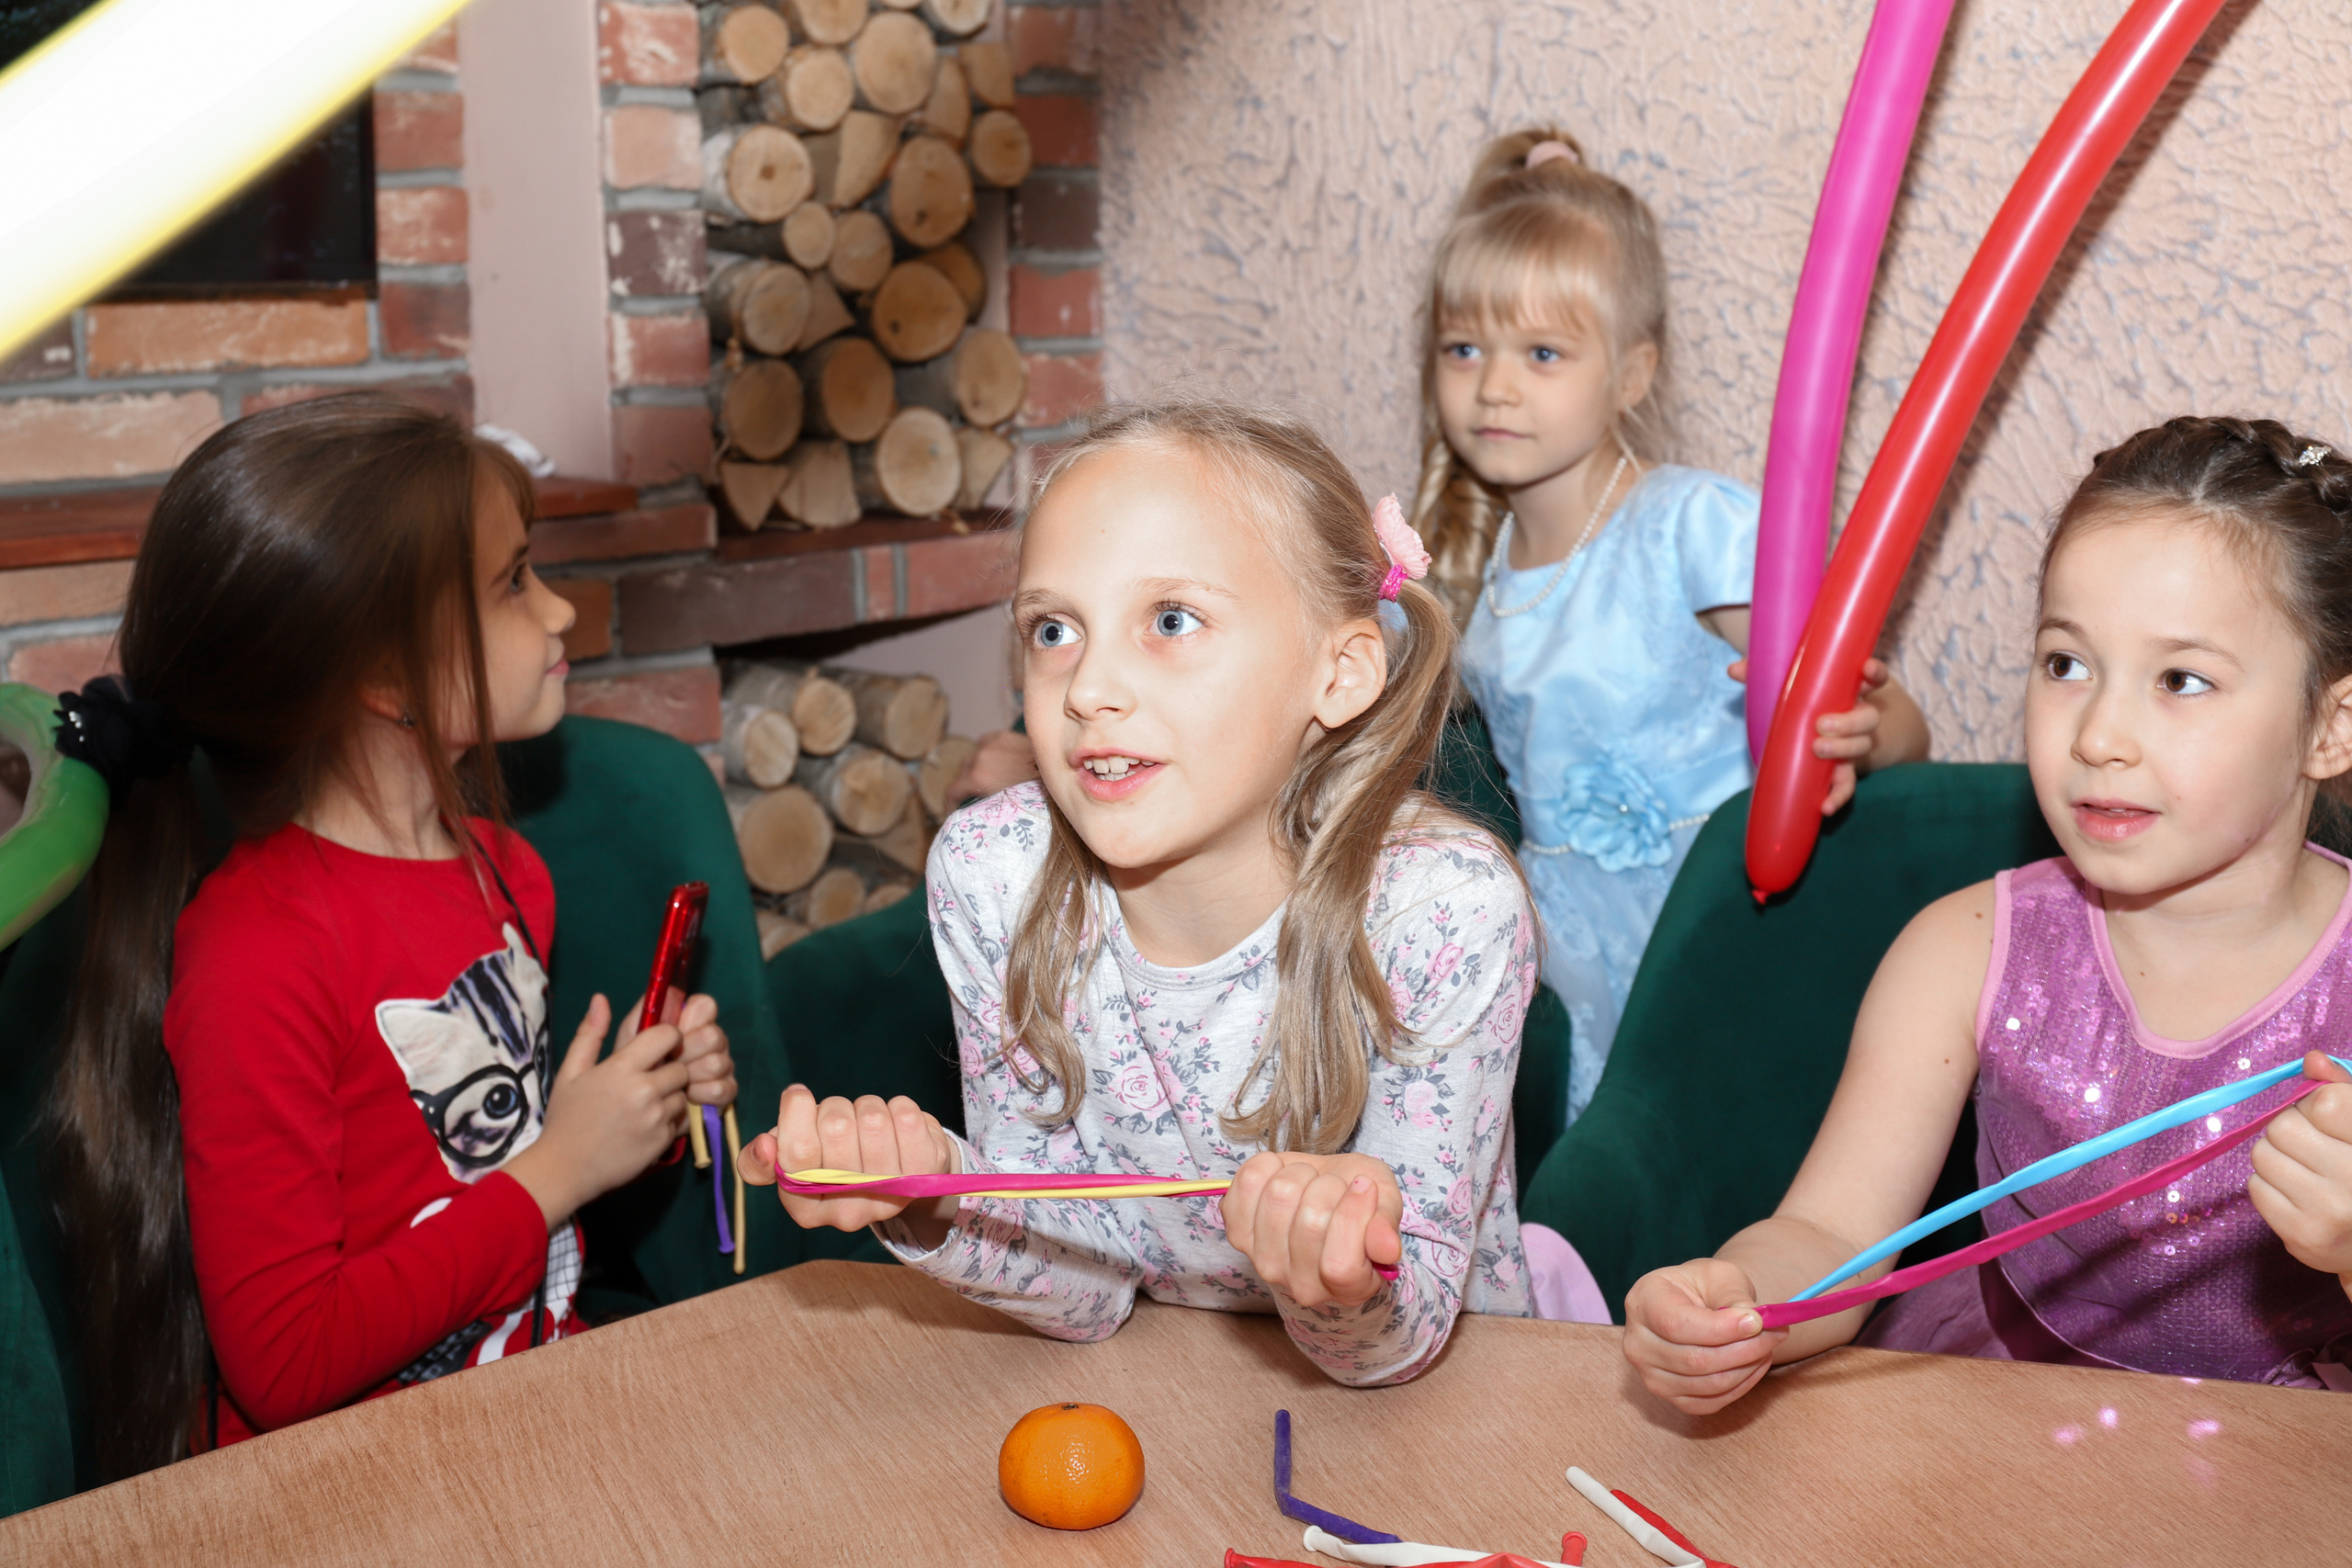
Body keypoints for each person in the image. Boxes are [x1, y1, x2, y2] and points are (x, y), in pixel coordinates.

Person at [741, 400, 1541, 1384]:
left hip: (1451, 1408)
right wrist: (937, 1194)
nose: (1086, 689)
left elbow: (1394, 1348)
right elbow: (1087, 1294)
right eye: (1053, 629)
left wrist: (1337, 1275)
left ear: (1339, 673)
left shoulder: (1444, 909)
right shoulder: (993, 877)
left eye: (1170, 620)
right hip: (1154, 1389)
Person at [42, 394, 738, 1480]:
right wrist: (561, 1168)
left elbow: (459, 1176)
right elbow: (284, 1361)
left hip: (525, 1401)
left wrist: (635, 1109)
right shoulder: (257, 958)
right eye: (514, 583)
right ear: (381, 675)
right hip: (351, 1479)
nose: (560, 611)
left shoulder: (508, 871)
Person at [1623, 416, 2352, 1404]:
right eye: (2066, 664)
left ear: (2330, 726)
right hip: (1998, 1412)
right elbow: (1830, 1232)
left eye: (2181, 680)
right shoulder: (1961, 948)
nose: (2098, 735)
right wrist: (1737, 1303)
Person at [1414, 128, 1931, 1120]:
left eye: (1543, 352)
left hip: (1718, 926)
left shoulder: (1692, 527)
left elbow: (1897, 722)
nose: (1494, 386)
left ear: (1633, 371)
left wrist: (1862, 736)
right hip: (1567, 957)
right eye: (1464, 348)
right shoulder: (1480, 565)